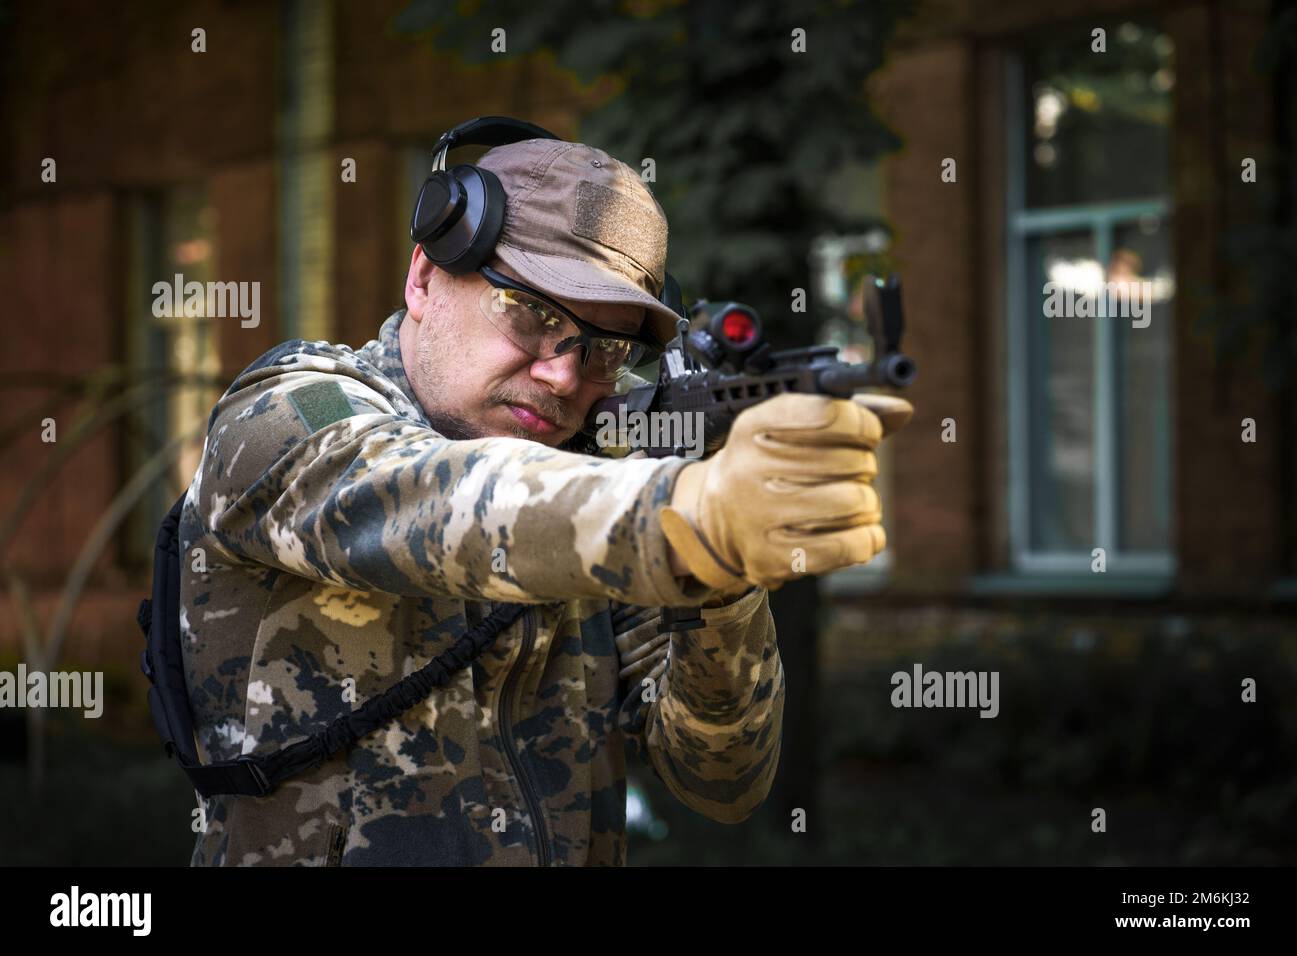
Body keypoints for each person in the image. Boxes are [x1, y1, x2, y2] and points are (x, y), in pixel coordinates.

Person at [179, 134, 912, 866]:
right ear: (426, 277)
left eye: (604, 348)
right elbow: (435, 499)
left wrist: (721, 575)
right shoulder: (288, 414)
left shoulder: (617, 465)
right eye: (528, 313)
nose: (564, 376)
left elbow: (721, 778)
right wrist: (683, 512)